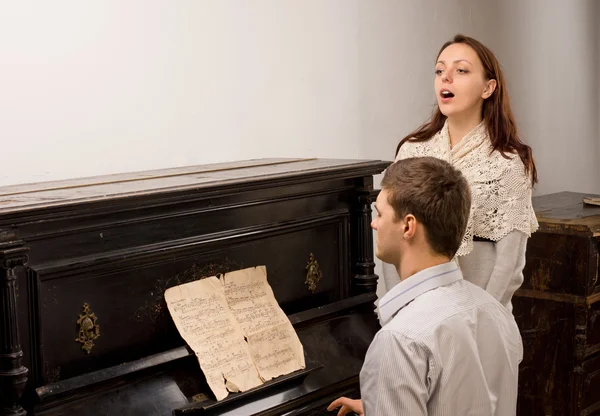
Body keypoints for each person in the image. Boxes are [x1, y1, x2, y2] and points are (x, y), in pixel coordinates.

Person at [328, 157, 523, 416]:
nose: (374, 223)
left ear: (408, 226)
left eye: (380, 214)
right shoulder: (495, 311)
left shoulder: (400, 340)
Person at [382, 34, 538, 312]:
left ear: (488, 88)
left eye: (461, 70)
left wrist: (481, 320)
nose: (446, 78)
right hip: (415, 309)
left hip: (480, 310)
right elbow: (389, 237)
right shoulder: (410, 151)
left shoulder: (508, 162)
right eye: (440, 70)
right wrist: (397, 310)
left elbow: (510, 261)